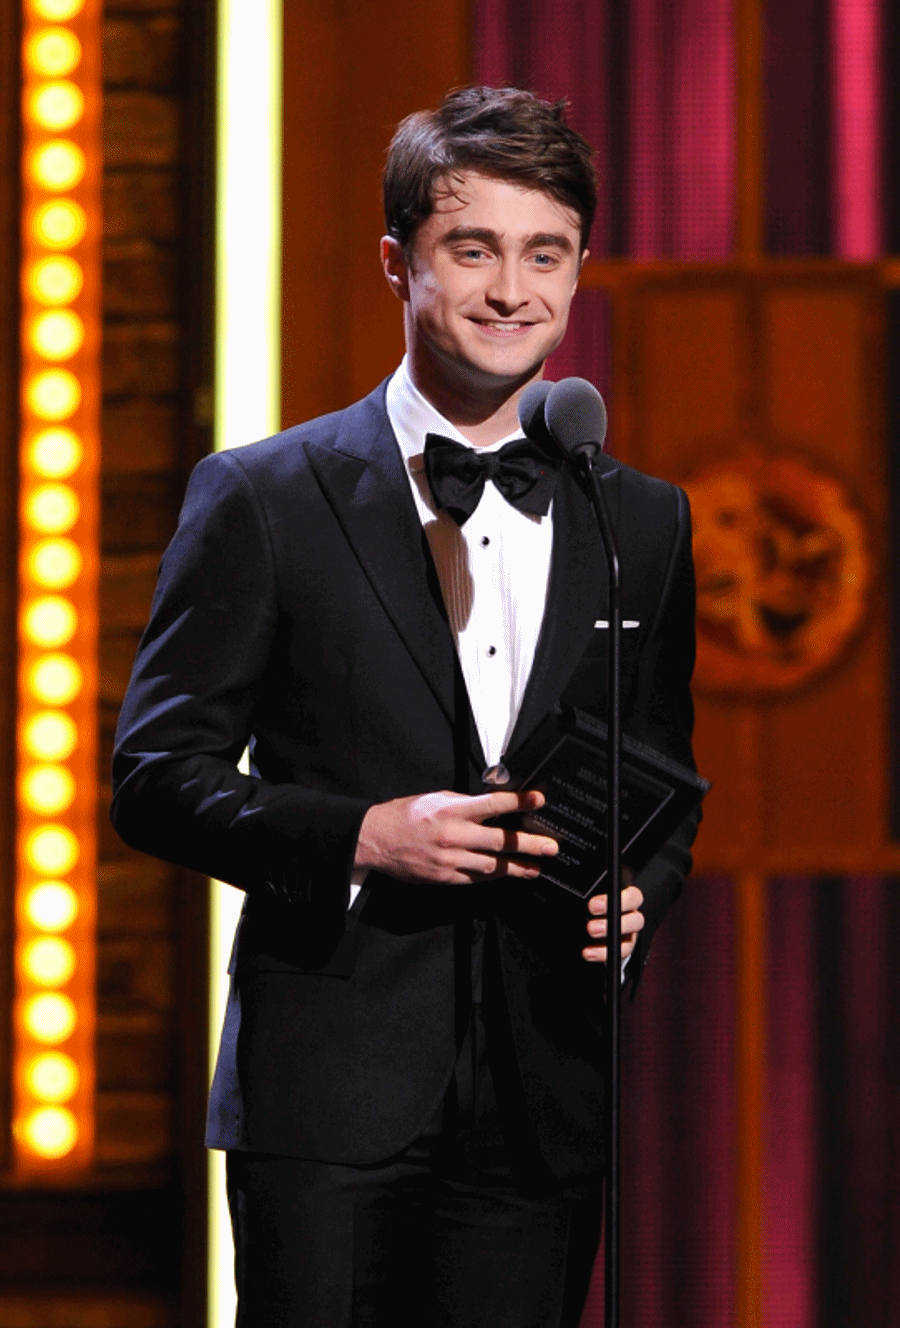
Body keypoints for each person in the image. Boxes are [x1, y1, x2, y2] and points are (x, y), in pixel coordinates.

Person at [111, 86, 698, 1328]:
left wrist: (637, 895)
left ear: (580, 268)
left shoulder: (640, 519)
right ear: (398, 261)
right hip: (327, 1092)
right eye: (472, 250)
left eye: (545, 254)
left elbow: (662, 778)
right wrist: (365, 835)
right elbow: (157, 775)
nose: (511, 291)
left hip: (544, 1097)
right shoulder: (267, 495)